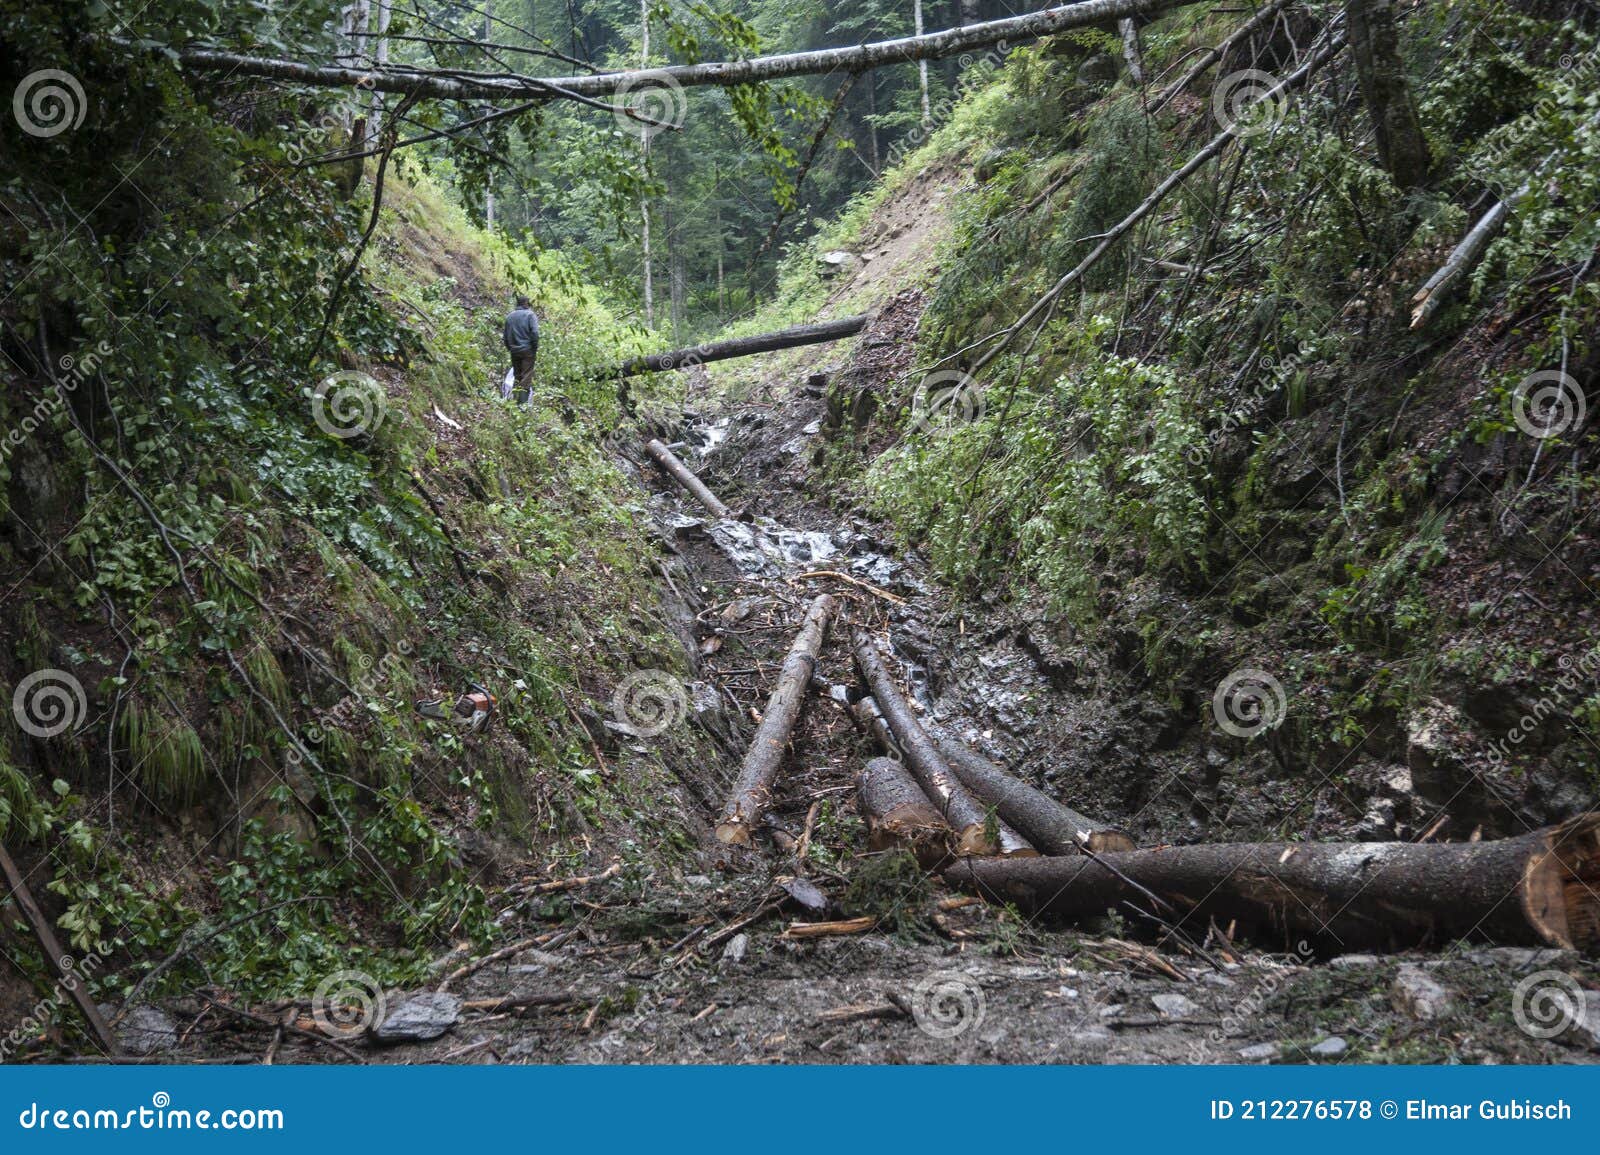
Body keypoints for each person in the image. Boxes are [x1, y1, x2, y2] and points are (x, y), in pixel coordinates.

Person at [502, 295, 540, 405]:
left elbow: (505, 336)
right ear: (526, 303)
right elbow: (535, 333)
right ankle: (521, 406)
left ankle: (514, 402)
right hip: (528, 350)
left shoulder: (510, 317)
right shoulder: (530, 315)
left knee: (517, 376)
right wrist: (534, 347)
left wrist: (510, 347)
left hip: (514, 350)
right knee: (526, 377)